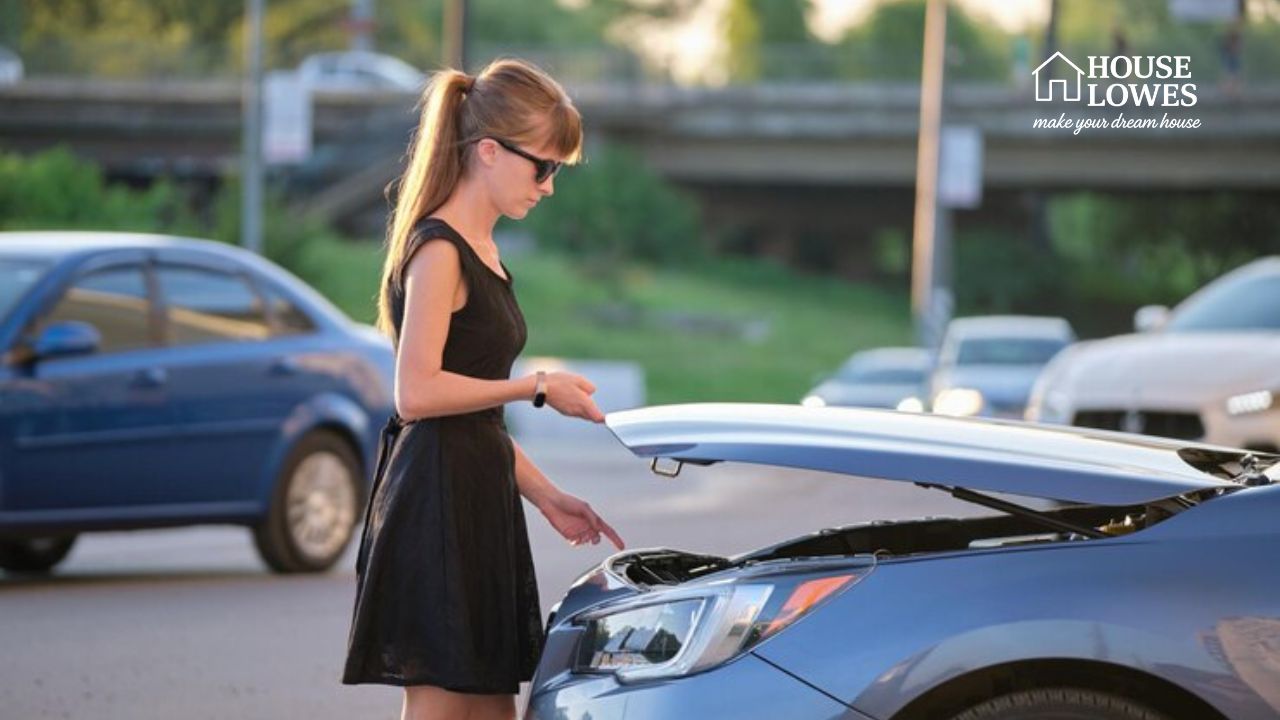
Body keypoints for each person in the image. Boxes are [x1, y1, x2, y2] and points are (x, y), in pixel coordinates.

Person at [341, 57, 626, 720]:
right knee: (443, 706)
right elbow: (416, 395)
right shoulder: (439, 250)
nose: (548, 187)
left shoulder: (486, 251)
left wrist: (548, 496)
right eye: (543, 167)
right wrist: (537, 386)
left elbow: (475, 417)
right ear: (490, 152)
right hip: (434, 506)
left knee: (493, 708)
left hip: (475, 498)